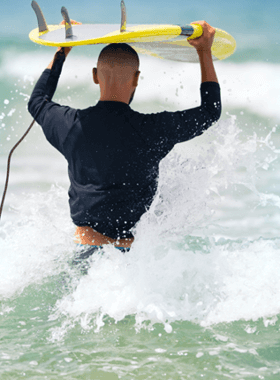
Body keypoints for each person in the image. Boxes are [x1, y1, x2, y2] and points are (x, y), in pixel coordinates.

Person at [27, 21, 221, 252]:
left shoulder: (70, 125)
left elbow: (37, 101)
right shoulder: (152, 129)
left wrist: (63, 49)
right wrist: (203, 51)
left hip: (84, 249)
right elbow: (211, 111)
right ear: (136, 78)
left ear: (95, 76)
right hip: (130, 262)